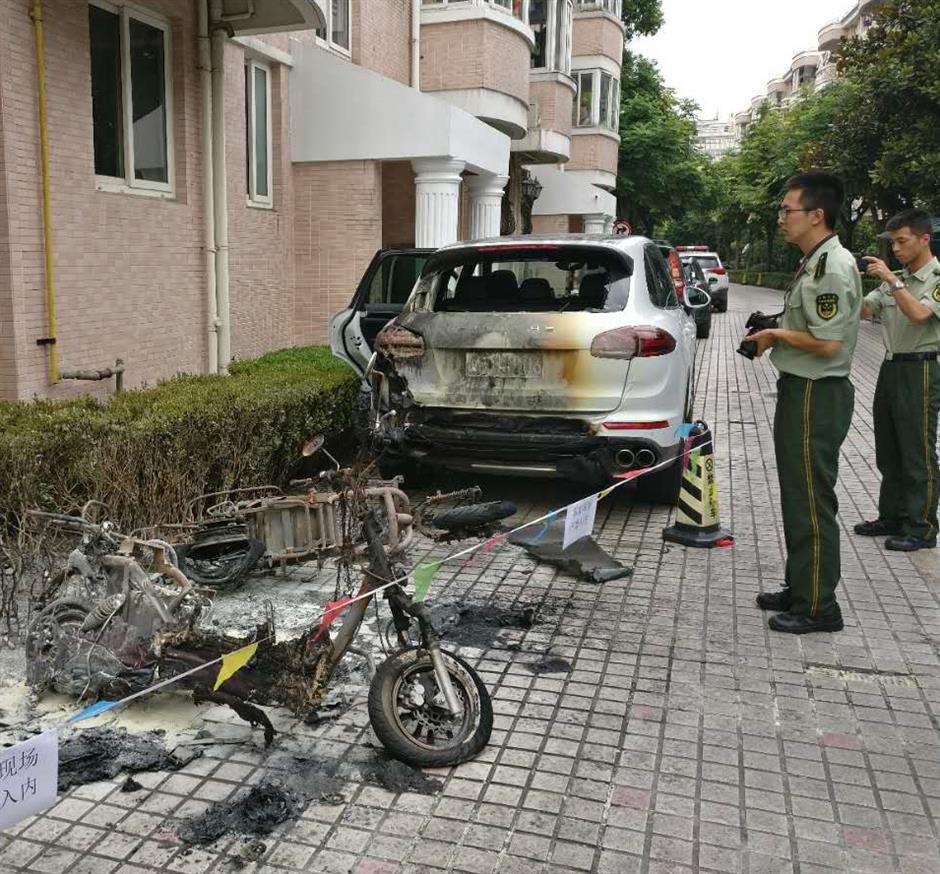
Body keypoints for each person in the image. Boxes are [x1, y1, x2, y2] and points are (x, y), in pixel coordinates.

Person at [748, 171, 862, 634]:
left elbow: (830, 343)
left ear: (817, 215)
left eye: (787, 210)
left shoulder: (832, 265)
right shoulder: (816, 260)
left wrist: (775, 335)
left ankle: (819, 606)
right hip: (803, 388)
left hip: (818, 393)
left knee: (811, 497)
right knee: (799, 494)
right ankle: (802, 586)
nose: (781, 218)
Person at [854, 209, 940, 551]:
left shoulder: (933, 278)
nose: (897, 249)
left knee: (918, 450)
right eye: (893, 243)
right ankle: (892, 515)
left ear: (924, 239)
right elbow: (864, 309)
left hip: (921, 369)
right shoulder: (897, 278)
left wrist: (893, 280)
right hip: (890, 366)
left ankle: (922, 527)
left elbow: (919, 315)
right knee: (888, 448)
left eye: (902, 241)